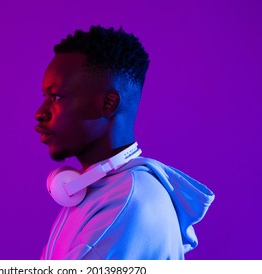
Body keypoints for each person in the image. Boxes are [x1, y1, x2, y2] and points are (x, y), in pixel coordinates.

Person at [34, 25, 215, 260]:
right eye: (45, 97)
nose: (41, 112)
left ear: (108, 104)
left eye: (57, 97)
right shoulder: (102, 189)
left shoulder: (126, 203)